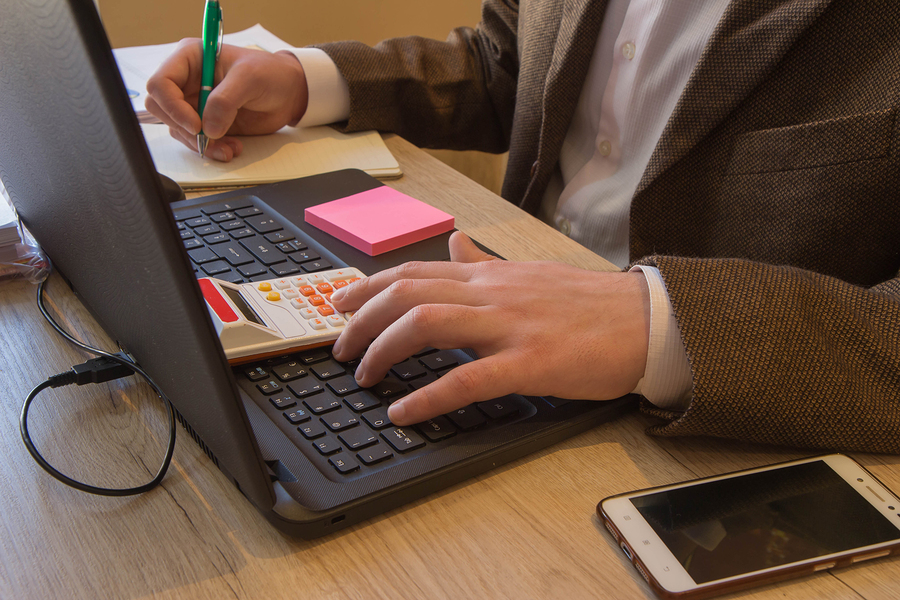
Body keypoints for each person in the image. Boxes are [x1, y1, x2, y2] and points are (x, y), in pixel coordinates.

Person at [146, 0, 900, 454]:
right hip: (496, 299)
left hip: (723, 419)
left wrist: (660, 321)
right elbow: (507, 61)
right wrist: (312, 81)